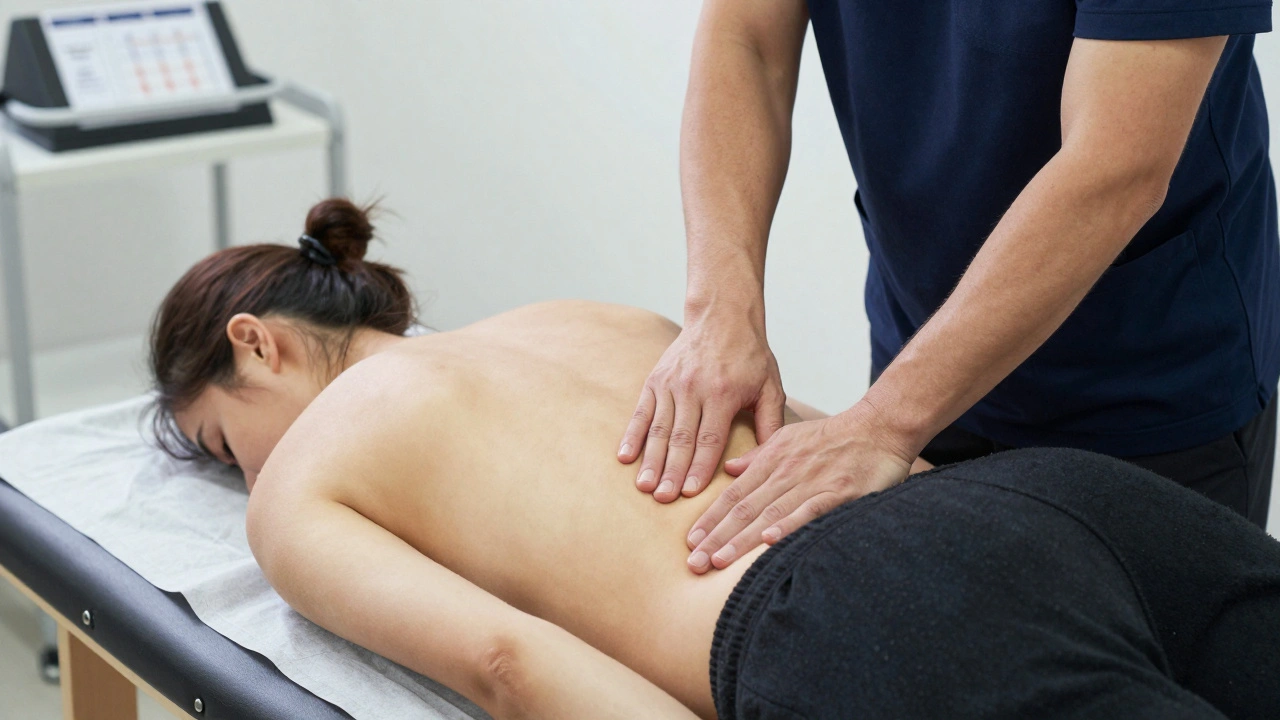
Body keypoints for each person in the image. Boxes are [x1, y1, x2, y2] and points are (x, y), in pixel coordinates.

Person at [148, 199, 1280, 719]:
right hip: (1041, 494)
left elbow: (505, 663)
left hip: (864, 618)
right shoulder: (570, 316)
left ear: (259, 344)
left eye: (218, 441)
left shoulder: (300, 489)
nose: (243, 472)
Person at [619, 0, 1280, 576]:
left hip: (1147, 398)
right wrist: (719, 313)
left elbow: (1117, 164)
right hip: (921, 352)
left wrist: (882, 425)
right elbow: (748, 40)